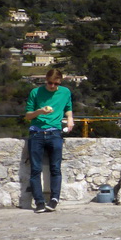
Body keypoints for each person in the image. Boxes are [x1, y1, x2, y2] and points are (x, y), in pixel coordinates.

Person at [24, 68, 74, 213]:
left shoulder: (65, 92)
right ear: (45, 80)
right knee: (35, 169)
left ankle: (54, 199)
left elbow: (68, 107)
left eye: (55, 83)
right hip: (36, 133)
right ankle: (39, 201)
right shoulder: (35, 92)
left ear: (60, 82)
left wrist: (70, 119)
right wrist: (40, 111)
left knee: (55, 168)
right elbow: (28, 116)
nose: (52, 86)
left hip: (55, 133)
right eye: (49, 83)